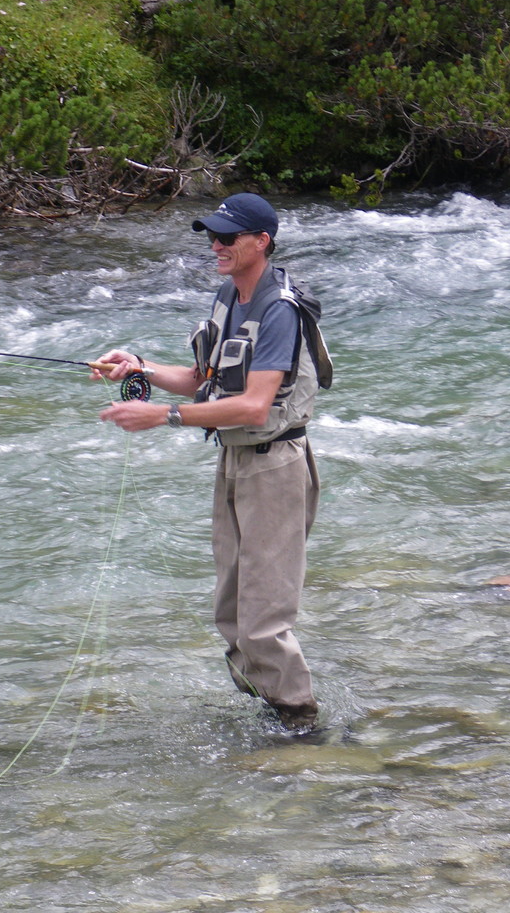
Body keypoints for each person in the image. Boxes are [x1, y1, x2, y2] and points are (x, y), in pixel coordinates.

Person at [96, 193, 330, 732]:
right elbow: (202, 379)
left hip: (274, 466)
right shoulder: (230, 294)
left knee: (264, 623)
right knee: (231, 613)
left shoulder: (279, 310)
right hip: (235, 460)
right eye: (212, 236)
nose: (216, 246)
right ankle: (268, 712)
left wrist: (165, 418)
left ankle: (302, 730)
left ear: (261, 242)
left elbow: (252, 404)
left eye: (227, 237)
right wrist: (139, 367)